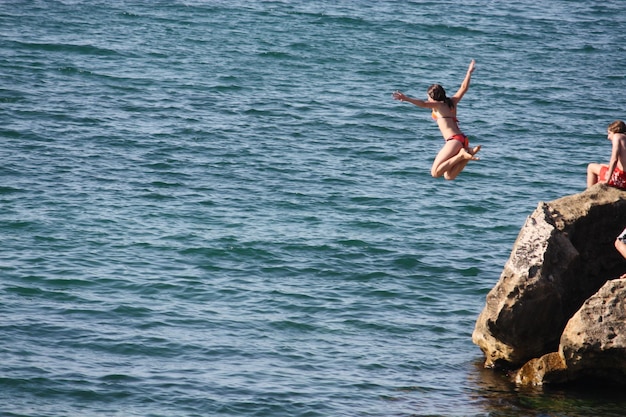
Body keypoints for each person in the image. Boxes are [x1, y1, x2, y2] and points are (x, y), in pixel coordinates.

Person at [392, 59, 480, 180]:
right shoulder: (452, 102)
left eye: (428, 97)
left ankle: (461, 155)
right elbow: (463, 88)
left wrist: (406, 98)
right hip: (462, 139)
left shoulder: (438, 105)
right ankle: (468, 153)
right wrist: (469, 73)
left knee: (435, 173)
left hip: (454, 140)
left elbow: (423, 104)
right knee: (449, 176)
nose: (427, 99)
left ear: (432, 97)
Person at [586, 120, 626, 189]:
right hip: (624, 175)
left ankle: (590, 192)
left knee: (591, 167)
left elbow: (614, 160)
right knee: (601, 165)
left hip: (621, 179)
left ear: (615, 132)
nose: (608, 137)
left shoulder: (617, 137)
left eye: (609, 133)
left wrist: (607, 180)